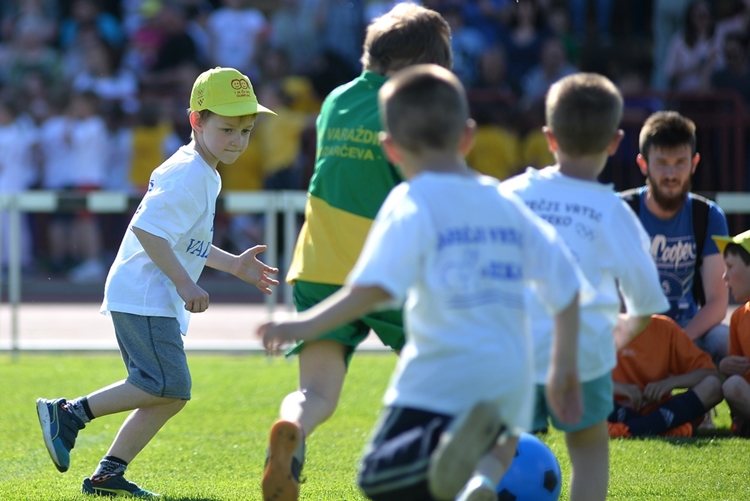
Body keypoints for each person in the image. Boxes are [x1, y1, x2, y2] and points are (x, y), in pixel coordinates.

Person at [260, 63, 583, 501]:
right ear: (468, 135)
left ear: (390, 149)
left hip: (438, 373)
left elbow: (370, 290)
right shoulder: (506, 203)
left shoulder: (410, 201)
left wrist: (301, 326)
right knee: (500, 436)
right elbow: (566, 287)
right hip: (509, 368)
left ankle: (447, 453)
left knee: (377, 476)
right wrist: (562, 367)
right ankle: (482, 483)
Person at [35, 66, 279, 497]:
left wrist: (234, 266)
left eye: (246, 130)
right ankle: (68, 414)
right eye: (227, 129)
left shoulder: (205, 170)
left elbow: (184, 243)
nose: (237, 141)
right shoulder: (189, 172)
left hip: (147, 296)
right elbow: (148, 231)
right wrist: (186, 284)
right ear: (196, 121)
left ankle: (108, 475)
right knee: (165, 385)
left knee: (170, 392)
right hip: (144, 296)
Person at [259, 4, 454, 500]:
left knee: (316, 392)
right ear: (416, 66)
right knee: (446, 374)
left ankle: (293, 428)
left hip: (319, 262)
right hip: (385, 267)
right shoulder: (408, 109)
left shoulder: (335, 101)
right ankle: (438, 466)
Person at [500, 72, 669, 501]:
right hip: (583, 356)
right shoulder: (613, 211)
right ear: (615, 142)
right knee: (589, 449)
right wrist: (623, 330)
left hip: (513, 349)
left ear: (548, 137)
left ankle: (483, 486)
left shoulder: (511, 193)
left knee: (500, 447)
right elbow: (646, 299)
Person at [620, 110, 730, 368]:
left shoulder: (709, 215)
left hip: (688, 329)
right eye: (661, 163)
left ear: (694, 163)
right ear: (643, 164)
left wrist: (677, 342)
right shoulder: (620, 211)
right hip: (631, 329)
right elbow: (607, 291)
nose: (671, 173)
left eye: (680, 162)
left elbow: (717, 300)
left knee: (729, 340)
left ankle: (738, 403)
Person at [607, 314, 723, 438]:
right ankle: (665, 429)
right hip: (612, 405)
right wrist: (617, 387)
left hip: (658, 407)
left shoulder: (664, 326)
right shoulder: (599, 327)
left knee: (713, 386)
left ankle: (624, 430)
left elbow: (709, 372)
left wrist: (670, 383)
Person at [713, 229, 750, 437]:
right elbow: (739, 378)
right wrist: (726, 367)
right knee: (733, 385)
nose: (724, 277)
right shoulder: (738, 318)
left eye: (730, 266)